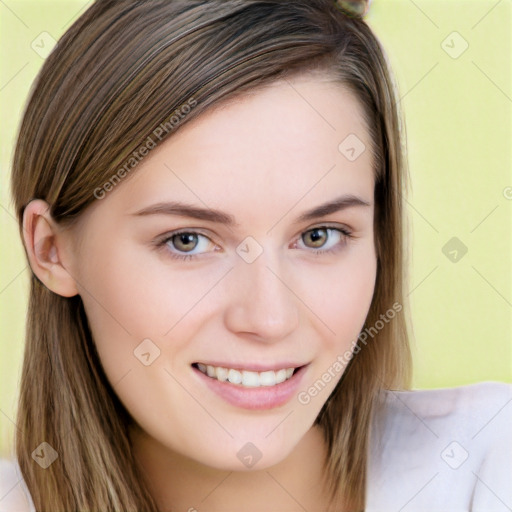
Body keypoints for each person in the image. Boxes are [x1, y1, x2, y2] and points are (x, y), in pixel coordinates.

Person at [1, 1, 510, 511]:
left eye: (320, 236)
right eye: (188, 241)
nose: (269, 318)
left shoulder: (488, 467)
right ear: (52, 250)